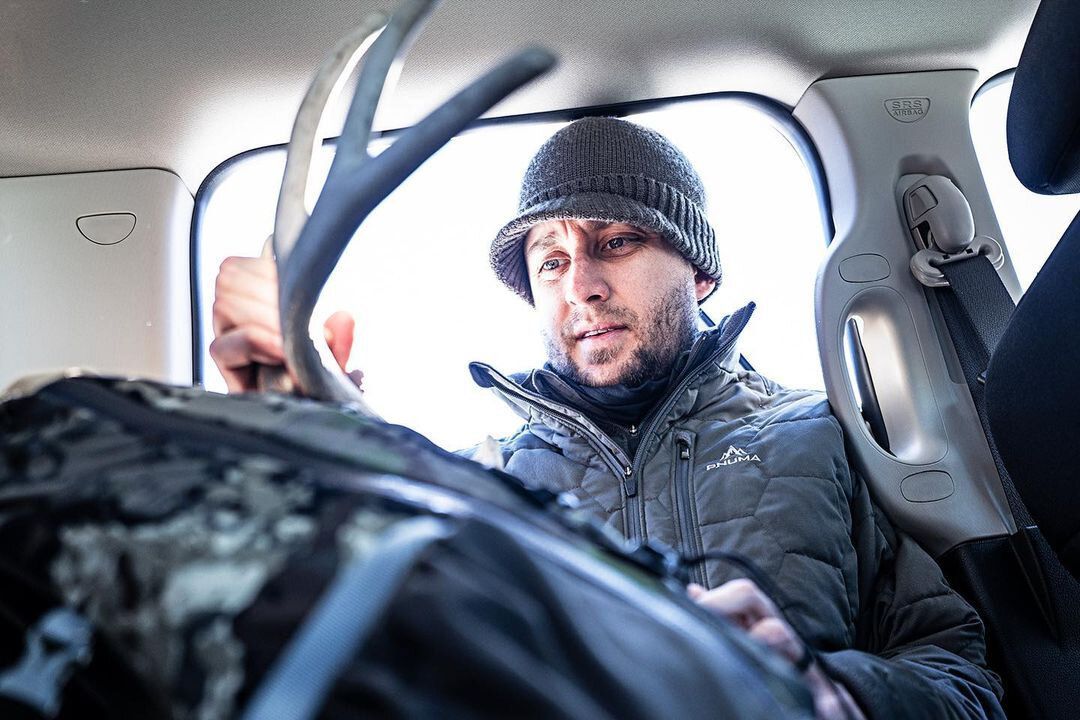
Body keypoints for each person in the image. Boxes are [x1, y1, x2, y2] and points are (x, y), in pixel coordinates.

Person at [211, 117, 1006, 719]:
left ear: (698, 270)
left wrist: (828, 686)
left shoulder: (817, 434)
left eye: (616, 241)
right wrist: (301, 454)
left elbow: (964, 676)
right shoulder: (478, 481)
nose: (579, 285)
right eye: (549, 261)